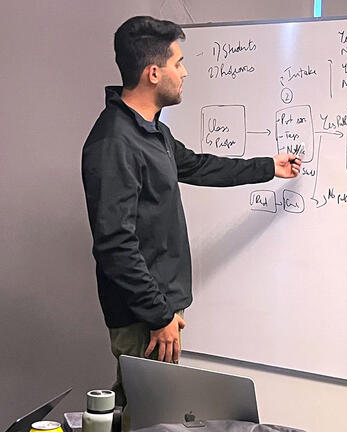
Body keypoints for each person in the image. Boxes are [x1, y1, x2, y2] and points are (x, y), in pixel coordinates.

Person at [81, 16, 302, 407]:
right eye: (177, 63)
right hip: (143, 317)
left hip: (159, 309)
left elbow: (198, 165)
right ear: (153, 73)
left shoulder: (151, 131)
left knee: (147, 411)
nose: (184, 72)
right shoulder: (115, 141)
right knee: (147, 415)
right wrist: (159, 315)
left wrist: (269, 167)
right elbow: (115, 243)